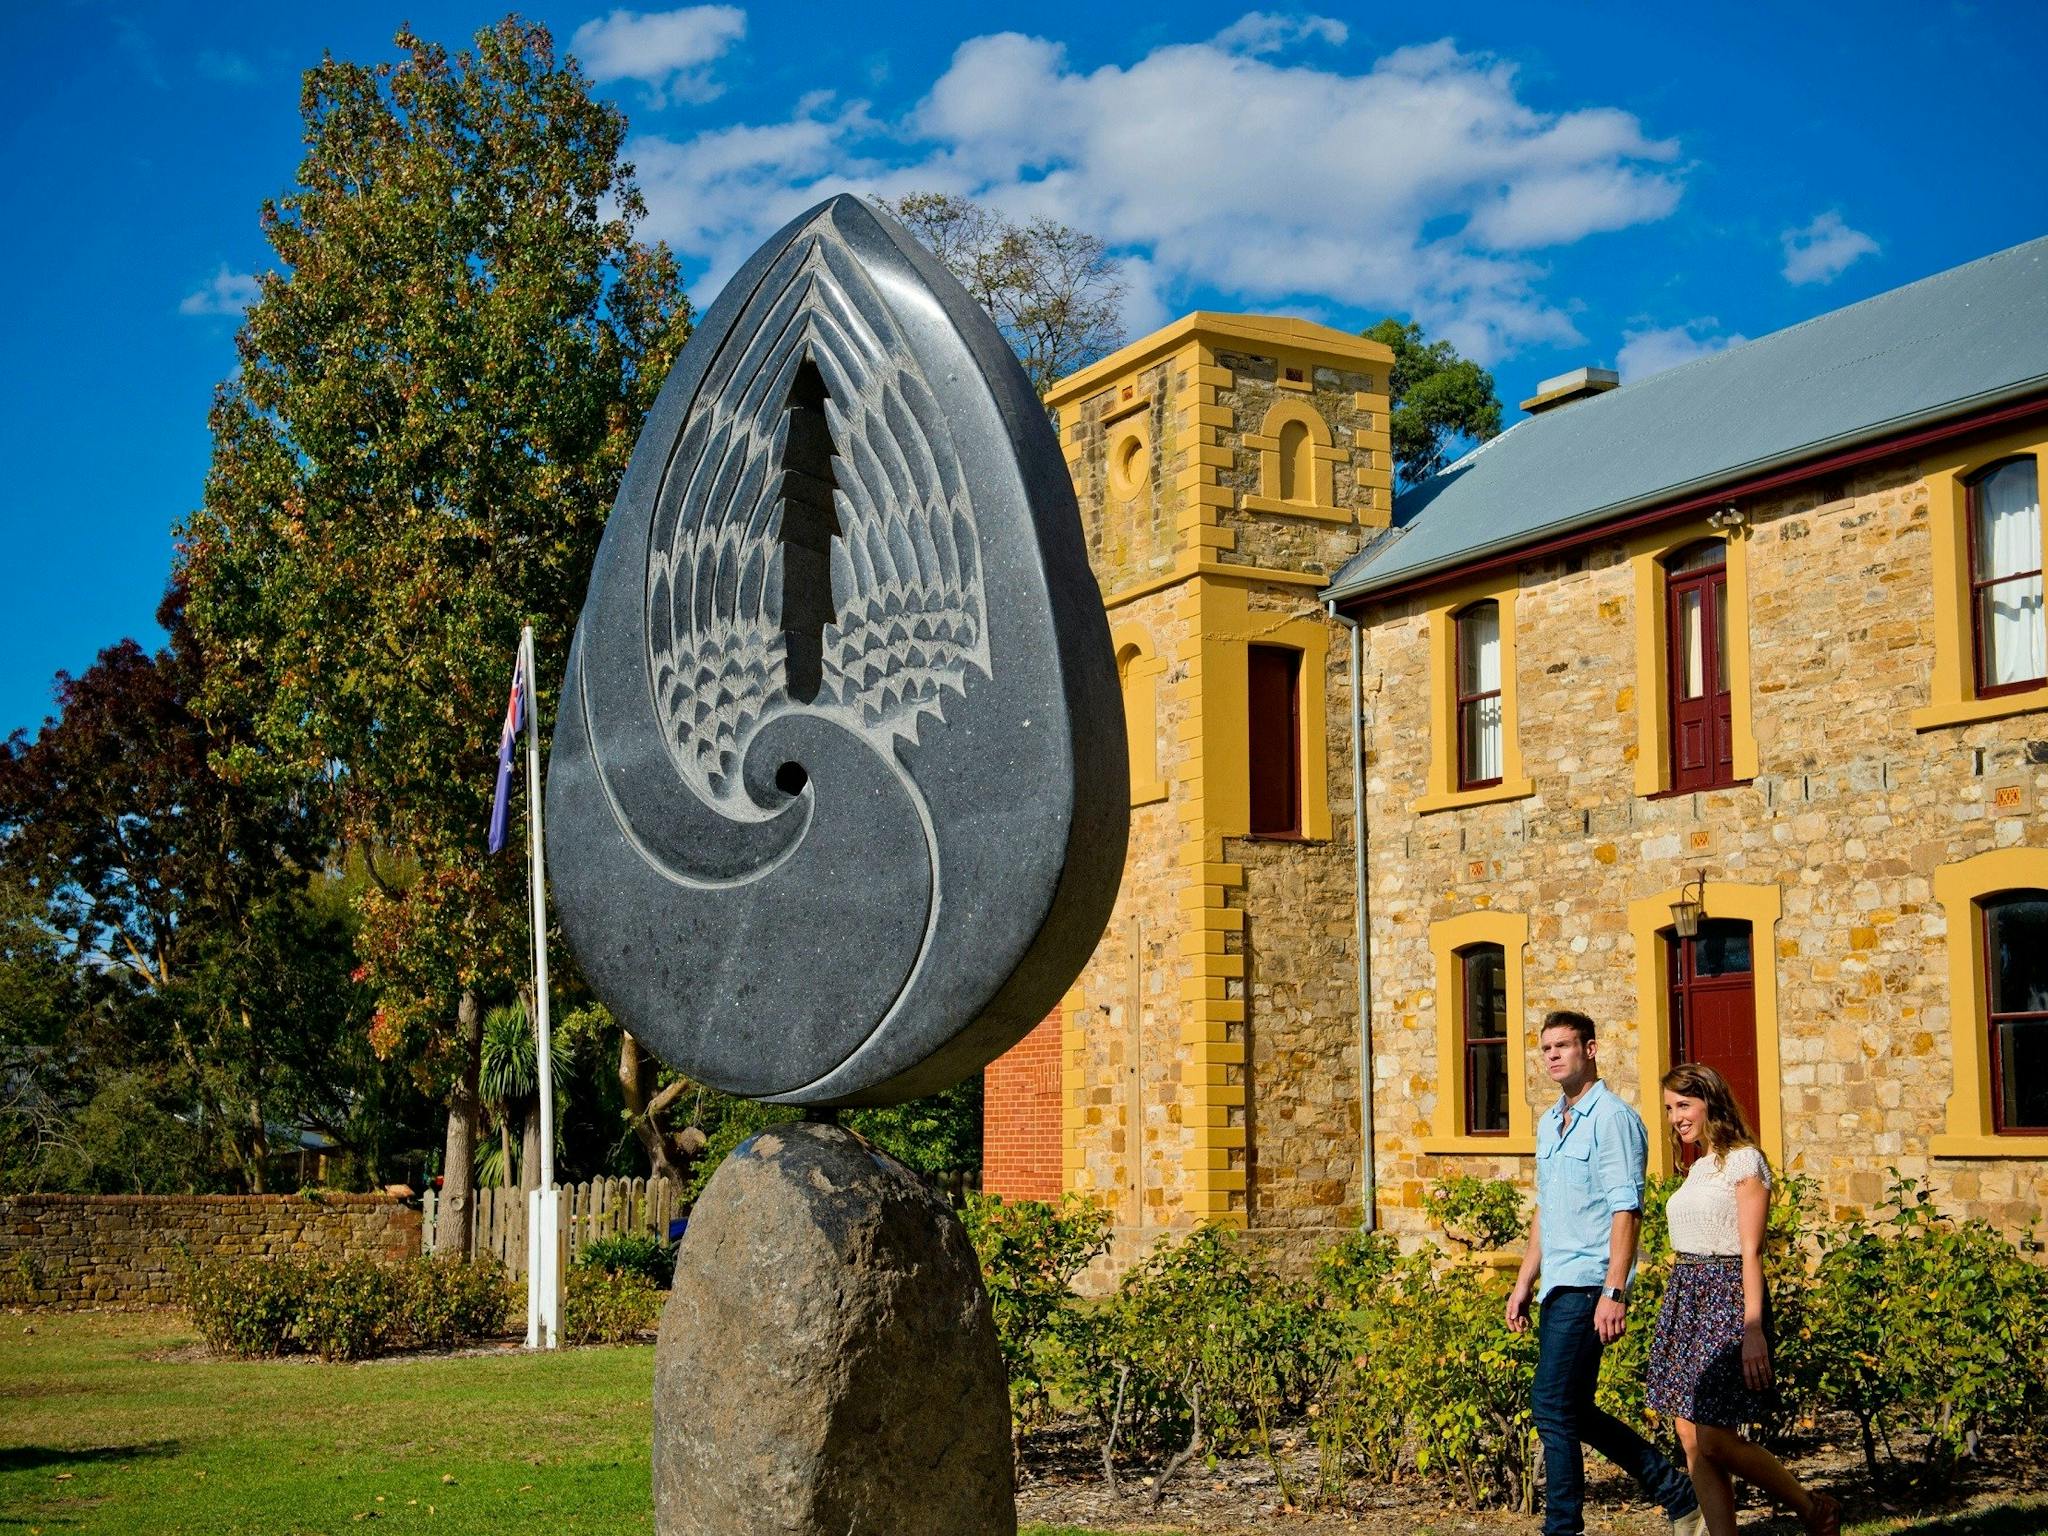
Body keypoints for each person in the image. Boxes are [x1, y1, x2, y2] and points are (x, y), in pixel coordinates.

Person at [1507, 1010, 1705, 1536]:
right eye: (1546, 1047)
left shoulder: (1613, 1118)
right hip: (1557, 1283)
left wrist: (1614, 1290)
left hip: (1592, 1282)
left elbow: (1627, 1209)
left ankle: (1563, 1528)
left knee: (1550, 1406)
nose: (1552, 1055)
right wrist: (1526, 1279)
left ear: (1589, 1050)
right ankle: (1680, 1493)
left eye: (1563, 1046)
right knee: (1572, 1408)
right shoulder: (1551, 1122)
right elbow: (1547, 1209)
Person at [1650, 1063, 1841, 1536]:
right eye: (1670, 1108)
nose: (1676, 1117)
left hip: (1727, 1299)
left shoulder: (1745, 1161)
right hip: (1687, 1297)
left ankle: (1813, 1509)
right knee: (1690, 1437)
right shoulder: (1696, 1168)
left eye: (1684, 1105)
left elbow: (1751, 1250)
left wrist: (1753, 1328)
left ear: (1710, 1102)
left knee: (1714, 1438)